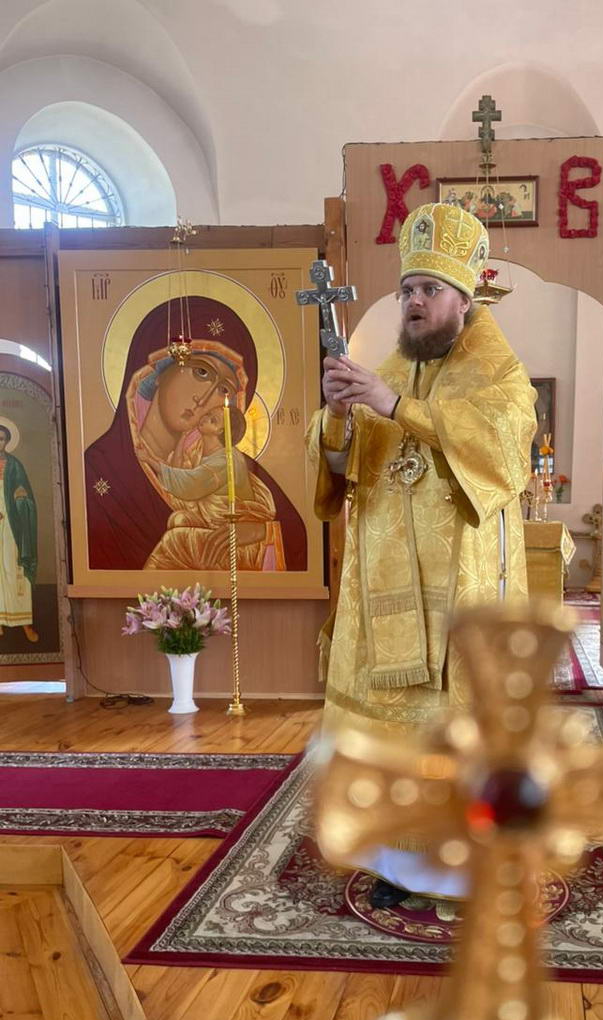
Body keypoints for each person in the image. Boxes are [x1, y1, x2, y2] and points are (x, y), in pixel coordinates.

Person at [306, 202, 537, 908]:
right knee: (392, 741)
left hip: (460, 601)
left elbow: (502, 451)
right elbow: (343, 469)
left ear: (464, 300)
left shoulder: (499, 375)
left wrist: (396, 407)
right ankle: (399, 865)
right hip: (383, 598)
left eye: (429, 290)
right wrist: (338, 418)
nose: (414, 301)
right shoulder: (389, 370)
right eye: (408, 289)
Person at [84, 296, 307, 573]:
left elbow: (296, 540)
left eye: (224, 389)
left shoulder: (229, 461)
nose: (204, 398)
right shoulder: (100, 470)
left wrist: (258, 531)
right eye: (201, 371)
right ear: (159, 370)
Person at [137, 406, 278, 570]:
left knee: (173, 539)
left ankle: (146, 583)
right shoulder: (199, 450)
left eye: (213, 420)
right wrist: (183, 437)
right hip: (213, 526)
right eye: (208, 414)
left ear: (220, 431)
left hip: (231, 540)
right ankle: (183, 584)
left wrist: (149, 460)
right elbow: (179, 472)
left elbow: (189, 485)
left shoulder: (226, 460)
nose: (204, 418)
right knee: (178, 519)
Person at [0, 423, 38, 642]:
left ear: (7, 441)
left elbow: (25, 495)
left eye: (2, 439)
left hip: (12, 522)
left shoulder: (14, 465)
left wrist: (21, 499)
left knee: (14, 566)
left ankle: (23, 622)